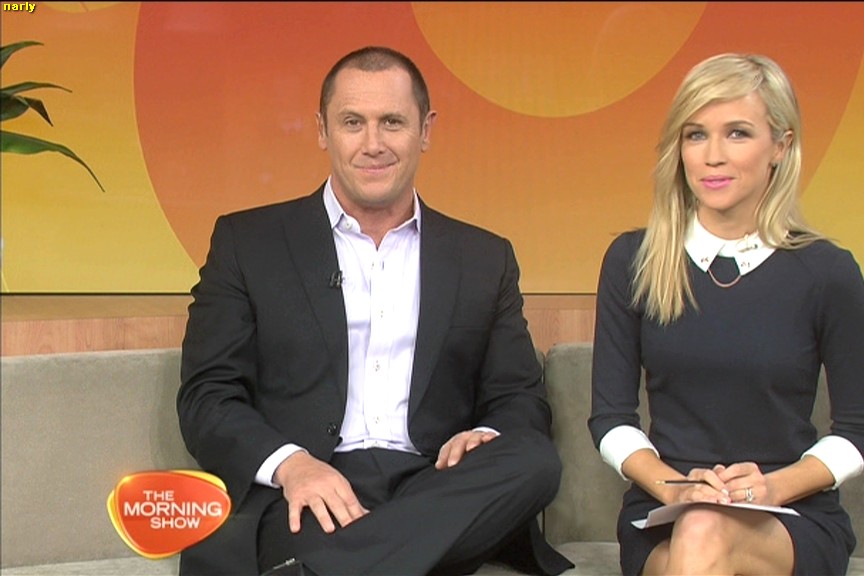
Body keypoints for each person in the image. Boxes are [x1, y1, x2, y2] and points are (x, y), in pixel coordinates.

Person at [177, 45, 574, 576]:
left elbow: (519, 398)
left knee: (533, 460)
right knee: (322, 527)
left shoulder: (483, 257)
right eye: (352, 122)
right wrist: (292, 466)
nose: (372, 144)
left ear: (425, 131)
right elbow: (207, 397)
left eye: (392, 122)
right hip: (313, 489)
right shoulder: (248, 243)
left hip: (438, 484)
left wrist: (487, 436)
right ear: (322, 131)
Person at [588, 53, 864, 576]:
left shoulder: (827, 273)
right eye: (696, 135)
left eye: (738, 134)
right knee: (699, 525)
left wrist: (769, 487)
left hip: (789, 514)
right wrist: (674, 488)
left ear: (781, 146)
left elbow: (862, 432)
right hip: (664, 506)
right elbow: (610, 419)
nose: (713, 156)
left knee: (704, 529)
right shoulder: (633, 260)